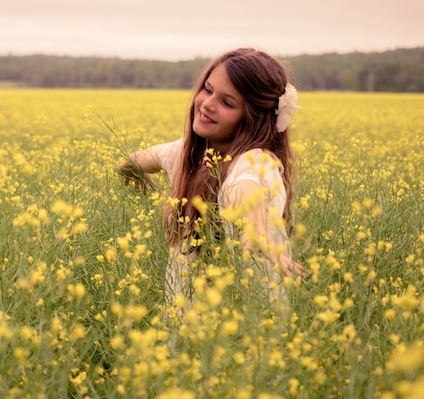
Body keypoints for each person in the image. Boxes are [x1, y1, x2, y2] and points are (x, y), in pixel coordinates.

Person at [118, 48, 304, 317]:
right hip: (188, 313)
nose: (207, 103)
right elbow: (139, 159)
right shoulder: (187, 153)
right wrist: (129, 170)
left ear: (252, 118)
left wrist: (254, 225)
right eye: (207, 89)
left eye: (227, 103)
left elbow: (244, 187)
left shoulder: (256, 161)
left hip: (245, 322)